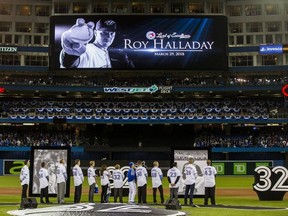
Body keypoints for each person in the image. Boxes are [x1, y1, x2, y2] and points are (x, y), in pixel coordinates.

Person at [60, 18, 134, 69]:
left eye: (112, 33)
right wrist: (70, 54)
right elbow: (68, 65)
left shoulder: (111, 53)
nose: (108, 36)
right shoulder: (87, 50)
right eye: (104, 33)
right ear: (95, 33)